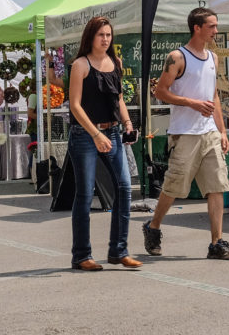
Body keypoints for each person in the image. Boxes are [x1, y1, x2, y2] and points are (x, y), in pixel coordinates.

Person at [144, 7, 229, 261]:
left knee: (217, 186)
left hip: (209, 132)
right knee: (174, 187)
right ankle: (153, 227)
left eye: (216, 25)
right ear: (197, 28)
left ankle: (216, 243)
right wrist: (191, 103)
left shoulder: (213, 58)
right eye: (212, 26)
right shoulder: (177, 57)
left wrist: (222, 130)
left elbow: (214, 96)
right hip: (184, 133)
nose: (216, 31)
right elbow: (160, 92)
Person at [66, 15, 138, 272]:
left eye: (108, 35)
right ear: (91, 37)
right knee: (85, 194)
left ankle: (119, 250)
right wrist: (95, 135)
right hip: (85, 135)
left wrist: (128, 123)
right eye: (101, 35)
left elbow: (118, 98)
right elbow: (74, 105)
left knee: (124, 187)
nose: (105, 39)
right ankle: (81, 255)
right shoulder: (80, 65)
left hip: (114, 132)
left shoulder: (115, 62)